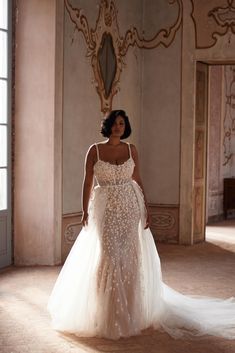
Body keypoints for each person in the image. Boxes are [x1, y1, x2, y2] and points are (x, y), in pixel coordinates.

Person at [48, 110, 235, 340]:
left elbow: (138, 179)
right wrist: (84, 210)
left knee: (129, 257)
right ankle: (106, 311)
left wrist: (145, 207)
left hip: (130, 207)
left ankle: (131, 311)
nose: (118, 127)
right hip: (105, 208)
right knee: (109, 256)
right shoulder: (94, 150)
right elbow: (87, 182)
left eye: (122, 123)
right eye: (115, 123)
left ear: (125, 126)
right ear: (107, 125)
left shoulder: (131, 149)